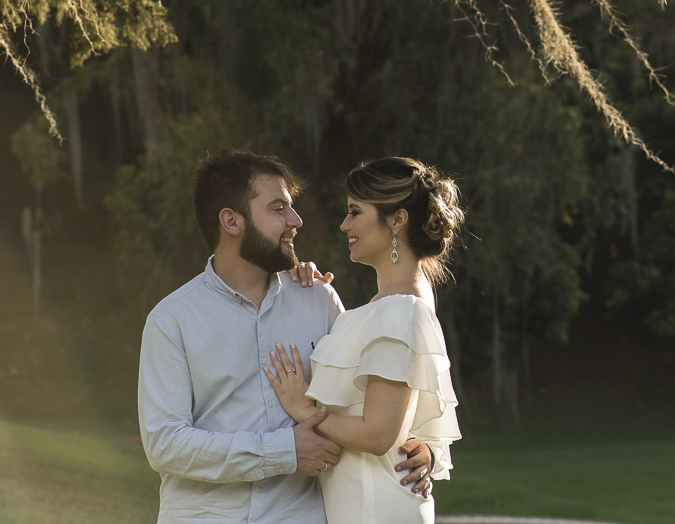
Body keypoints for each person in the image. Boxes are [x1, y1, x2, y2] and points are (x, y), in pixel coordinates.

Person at [138, 149, 433, 524]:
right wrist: (285, 450)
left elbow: (373, 395)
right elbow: (166, 446)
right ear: (231, 221)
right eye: (278, 208)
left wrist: (425, 447)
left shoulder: (319, 299)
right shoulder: (172, 320)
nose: (296, 220)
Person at [264, 156, 463, 524]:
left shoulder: (400, 309)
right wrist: (300, 285)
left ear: (397, 220)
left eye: (355, 212)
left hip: (375, 509)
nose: (344, 224)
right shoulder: (392, 305)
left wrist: (303, 409)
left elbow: (377, 434)